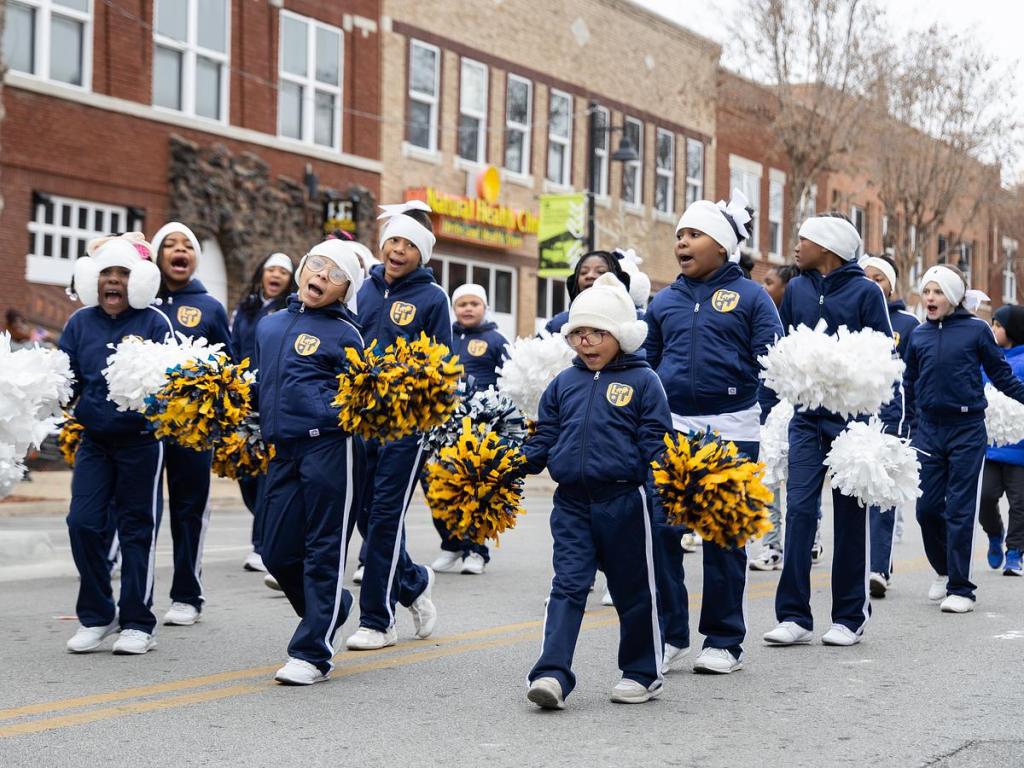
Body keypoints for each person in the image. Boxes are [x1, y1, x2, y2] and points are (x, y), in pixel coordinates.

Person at [644, 192, 783, 674]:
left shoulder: (752, 296)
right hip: (674, 430)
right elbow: (646, 362)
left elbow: (774, 361)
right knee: (662, 533)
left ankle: (724, 640)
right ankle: (670, 633)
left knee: (723, 537)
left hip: (733, 429)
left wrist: (757, 412)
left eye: (694, 234)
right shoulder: (663, 300)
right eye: (679, 235)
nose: (682, 242)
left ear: (722, 246)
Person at [523, 272, 668, 709]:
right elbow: (544, 435)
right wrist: (514, 461)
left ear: (621, 335)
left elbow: (656, 444)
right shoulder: (563, 383)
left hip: (624, 502)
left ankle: (642, 672)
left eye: (597, 332)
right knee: (567, 585)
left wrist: (665, 498)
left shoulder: (645, 382)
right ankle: (551, 672)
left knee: (632, 590)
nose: (585, 342)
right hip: (570, 502)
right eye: (578, 333)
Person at [763, 212, 901, 647]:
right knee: (800, 512)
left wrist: (883, 421)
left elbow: (882, 354)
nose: (797, 247)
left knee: (848, 517)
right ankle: (794, 616)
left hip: (852, 421)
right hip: (806, 417)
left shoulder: (864, 291)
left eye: (803, 240)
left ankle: (849, 616)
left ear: (828, 248)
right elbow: (783, 347)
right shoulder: (798, 288)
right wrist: (772, 406)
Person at [253, 239, 366, 684]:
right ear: (302, 270)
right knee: (274, 550)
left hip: (331, 449)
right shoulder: (270, 324)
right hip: (283, 450)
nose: (321, 276)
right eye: (316, 265)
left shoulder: (347, 332)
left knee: (324, 550)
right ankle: (331, 609)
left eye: (334, 273)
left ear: (344, 290)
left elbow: (363, 395)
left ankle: (312, 653)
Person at [61, 235, 172, 655]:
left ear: (139, 280)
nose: (113, 281)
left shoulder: (154, 322)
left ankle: (138, 622)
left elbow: (171, 382)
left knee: (135, 530)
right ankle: (97, 615)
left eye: (123, 273)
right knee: (82, 523)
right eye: (106, 272)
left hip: (141, 442)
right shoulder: (79, 322)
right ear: (93, 279)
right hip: (94, 441)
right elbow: (65, 379)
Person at [345, 201, 446, 651]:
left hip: (408, 426)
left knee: (386, 515)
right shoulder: (361, 291)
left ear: (421, 254)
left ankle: (377, 620)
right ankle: (413, 580)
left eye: (409, 244)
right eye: (393, 242)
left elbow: (445, 363)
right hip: (360, 420)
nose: (399, 250)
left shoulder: (432, 297)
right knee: (366, 515)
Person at [906, 266, 1024, 612]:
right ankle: (943, 570)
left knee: (959, 509)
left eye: (938, 291)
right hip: (928, 429)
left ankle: (961, 589)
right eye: (926, 291)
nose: (930, 298)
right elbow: (909, 383)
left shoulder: (976, 330)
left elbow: (1001, 376)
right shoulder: (918, 335)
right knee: (926, 509)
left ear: (954, 297)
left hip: (967, 428)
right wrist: (909, 426)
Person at [150, 222, 231, 627]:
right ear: (157, 254)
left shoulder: (210, 307)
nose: (180, 250)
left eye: (188, 245)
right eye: (170, 244)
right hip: (142, 428)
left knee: (187, 509)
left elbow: (229, 367)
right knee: (138, 511)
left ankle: (187, 594)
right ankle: (135, 596)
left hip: (191, 429)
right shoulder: (141, 300)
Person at [429, 283, 509, 576]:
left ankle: (476, 550)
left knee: (474, 488)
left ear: (485, 307)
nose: (468, 308)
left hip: (478, 428)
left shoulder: (496, 339)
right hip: (441, 425)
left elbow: (510, 381)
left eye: (474, 303)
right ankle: (451, 544)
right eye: (462, 303)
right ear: (453, 308)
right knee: (434, 485)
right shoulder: (443, 336)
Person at [229, 252, 296, 573]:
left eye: (283, 271)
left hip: (272, 398)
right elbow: (232, 347)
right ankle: (272, 529)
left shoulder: (290, 310)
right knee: (247, 475)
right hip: (243, 400)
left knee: (269, 475)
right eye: (271, 269)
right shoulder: (246, 308)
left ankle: (262, 545)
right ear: (261, 273)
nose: (276, 275)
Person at [860, 254, 920, 597]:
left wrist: (912, 418)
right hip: (855, 417)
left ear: (891, 285)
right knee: (856, 496)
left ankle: (878, 568)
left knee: (883, 494)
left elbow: (916, 377)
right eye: (866, 278)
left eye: (878, 278)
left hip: (893, 420)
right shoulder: (852, 315)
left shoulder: (908, 324)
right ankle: (861, 563)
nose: (872, 285)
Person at [750, 263, 800, 572]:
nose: (764, 287)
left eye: (769, 282)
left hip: (796, 412)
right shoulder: (760, 318)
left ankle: (807, 542)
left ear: (788, 288)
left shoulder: (799, 324)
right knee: (768, 481)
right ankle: (771, 546)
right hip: (766, 411)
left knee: (797, 483)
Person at [980, 303, 1024, 577]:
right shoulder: (988, 357)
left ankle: (1015, 552)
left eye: (998, 325)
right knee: (985, 498)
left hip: (1020, 450)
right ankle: (995, 533)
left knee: (1020, 505)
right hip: (991, 448)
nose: (993, 328)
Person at [543, 251, 632, 334]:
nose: (589, 275)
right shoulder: (557, 324)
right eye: (583, 272)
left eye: (600, 271)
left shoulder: (632, 321)